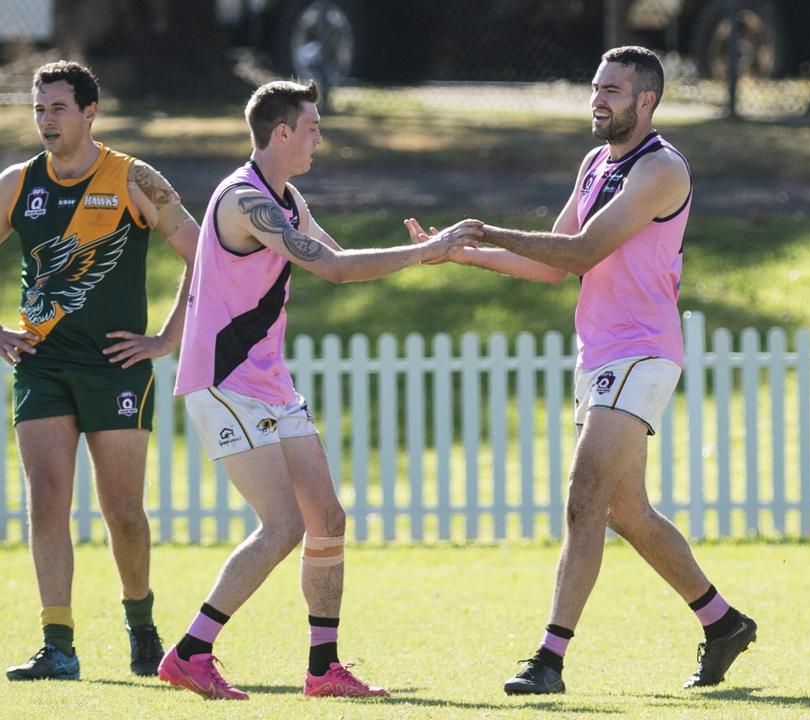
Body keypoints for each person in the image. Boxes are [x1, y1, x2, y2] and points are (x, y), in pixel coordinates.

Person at [419, 46, 755, 695]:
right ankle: (722, 623)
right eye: (595, 88)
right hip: (600, 356)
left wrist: (489, 230)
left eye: (612, 91)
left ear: (646, 101)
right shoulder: (596, 162)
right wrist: (465, 255)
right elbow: (553, 267)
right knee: (627, 510)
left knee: (584, 498)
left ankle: (548, 659)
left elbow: (579, 252)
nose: (597, 100)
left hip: (642, 353)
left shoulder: (659, 169)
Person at [156, 79, 479, 700]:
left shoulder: (286, 197)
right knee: (281, 526)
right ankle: (191, 652)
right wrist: (426, 252)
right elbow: (330, 267)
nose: (319, 137)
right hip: (224, 383)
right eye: (312, 127)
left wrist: (424, 255)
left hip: (269, 384)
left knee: (327, 518)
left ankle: (323, 669)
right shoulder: (244, 202)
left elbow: (339, 259)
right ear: (282, 133)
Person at [0, 61, 198, 681]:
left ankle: (141, 624)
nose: (46, 121)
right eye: (38, 109)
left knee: (122, 513)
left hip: (116, 369)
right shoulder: (15, 183)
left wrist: (165, 339)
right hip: (42, 364)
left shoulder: (135, 179)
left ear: (91, 113)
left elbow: (204, 255)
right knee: (48, 500)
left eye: (58, 108)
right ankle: (57, 643)